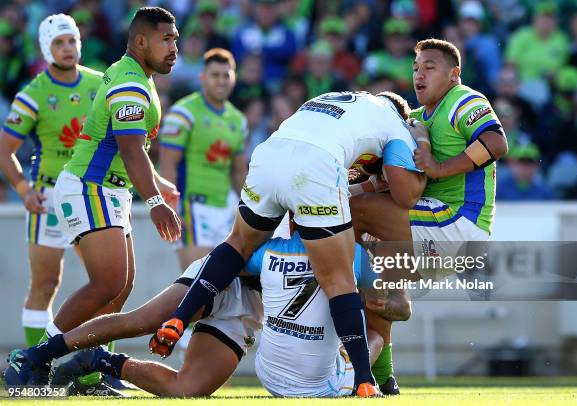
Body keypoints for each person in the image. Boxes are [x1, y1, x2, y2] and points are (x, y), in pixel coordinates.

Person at [154, 90, 428, 397]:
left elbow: (321, 152)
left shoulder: (335, 98)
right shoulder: (398, 123)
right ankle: (364, 381)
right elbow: (406, 194)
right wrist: (423, 141)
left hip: (269, 154)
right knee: (339, 280)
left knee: (237, 244)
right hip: (315, 166)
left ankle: (179, 317)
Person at [5, 6, 182, 393]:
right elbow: (131, 148)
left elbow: (133, 149)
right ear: (140, 41)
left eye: (175, 40)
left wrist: (158, 183)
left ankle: (89, 367)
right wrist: (155, 203)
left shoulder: (131, 76)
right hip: (89, 186)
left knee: (119, 287)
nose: (174, 48)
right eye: (166, 39)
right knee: (104, 281)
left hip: (108, 187)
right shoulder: (130, 83)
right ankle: (33, 357)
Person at [6, 228, 409, 398]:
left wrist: (380, 297)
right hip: (227, 274)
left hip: (254, 303)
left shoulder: (360, 216)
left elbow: (397, 307)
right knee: (145, 319)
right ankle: (37, 355)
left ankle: (104, 361)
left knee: (189, 390)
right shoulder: (296, 185)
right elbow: (241, 245)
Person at [349, 39, 507, 281]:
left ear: (454, 74)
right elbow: (385, 180)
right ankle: (388, 296)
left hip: (459, 223)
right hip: (436, 229)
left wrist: (439, 168)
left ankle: (343, 285)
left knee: (352, 211)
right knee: (374, 298)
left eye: (429, 68)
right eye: (415, 69)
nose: (419, 75)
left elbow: (496, 142)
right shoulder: (416, 117)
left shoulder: (461, 98)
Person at [0, 14, 103, 348]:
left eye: (72, 40)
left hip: (91, 193)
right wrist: (22, 188)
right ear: (47, 49)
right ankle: (31, 367)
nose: (67, 48)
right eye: (59, 42)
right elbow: (5, 150)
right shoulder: (33, 94)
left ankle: (99, 370)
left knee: (105, 283)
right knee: (45, 284)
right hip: (49, 197)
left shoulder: (100, 83)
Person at [159, 48, 248, 271]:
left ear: (234, 78)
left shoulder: (238, 120)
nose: (221, 81)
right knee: (195, 281)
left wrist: (247, 208)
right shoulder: (183, 113)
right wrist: (172, 208)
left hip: (225, 209)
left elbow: (238, 171)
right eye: (214, 75)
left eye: (226, 75)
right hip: (192, 207)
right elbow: (168, 164)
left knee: (225, 287)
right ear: (202, 78)